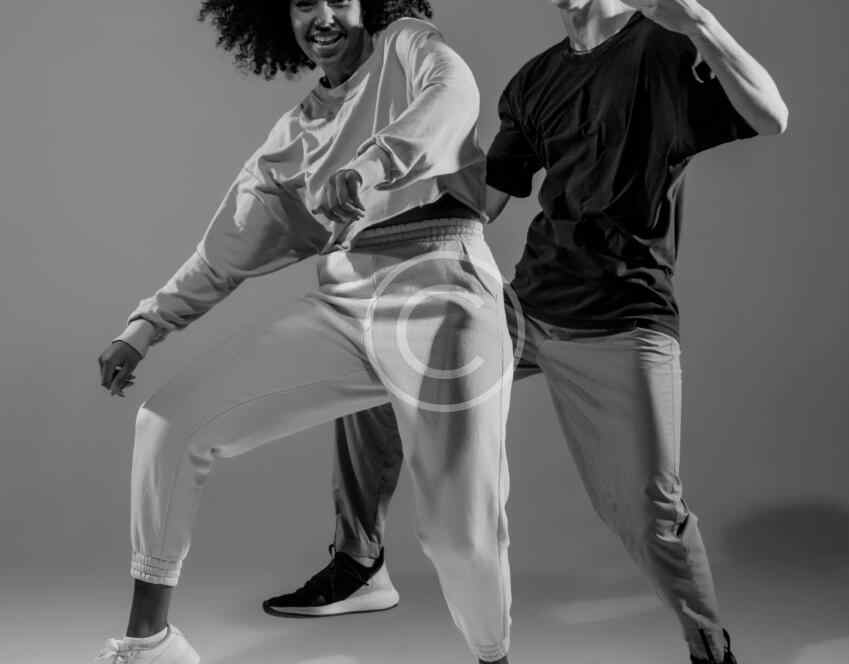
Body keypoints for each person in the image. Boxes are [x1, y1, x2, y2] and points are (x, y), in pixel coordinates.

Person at [262, 1, 789, 663]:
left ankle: (709, 646)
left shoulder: (662, 48)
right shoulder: (538, 80)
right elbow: (484, 198)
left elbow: (771, 116)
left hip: (621, 321)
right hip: (525, 309)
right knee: (378, 369)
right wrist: (375, 194)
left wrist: (702, 25)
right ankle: (359, 561)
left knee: (648, 513)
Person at [92, 1, 516, 662]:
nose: (323, 16)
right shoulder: (293, 135)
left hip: (443, 289)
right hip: (345, 303)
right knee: (167, 422)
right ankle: (150, 645)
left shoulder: (406, 47)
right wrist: (143, 328)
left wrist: (374, 164)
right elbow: (222, 253)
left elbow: (452, 95)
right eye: (302, 2)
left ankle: (494, 657)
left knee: (458, 534)